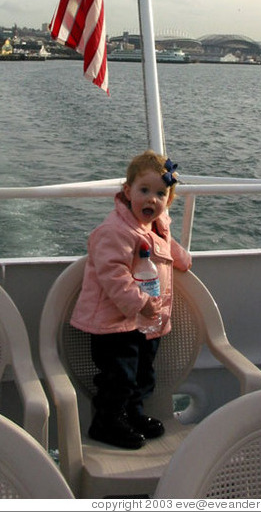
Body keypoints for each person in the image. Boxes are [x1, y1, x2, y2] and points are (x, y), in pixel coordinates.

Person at [70, 150, 192, 449]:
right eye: (144, 191)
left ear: (169, 199)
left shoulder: (156, 225)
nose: (152, 199)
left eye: (160, 193)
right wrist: (139, 303)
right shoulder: (115, 232)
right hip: (115, 324)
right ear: (128, 191)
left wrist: (182, 259)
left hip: (146, 322)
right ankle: (106, 422)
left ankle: (133, 415)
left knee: (143, 374)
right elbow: (112, 275)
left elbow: (165, 246)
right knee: (118, 378)